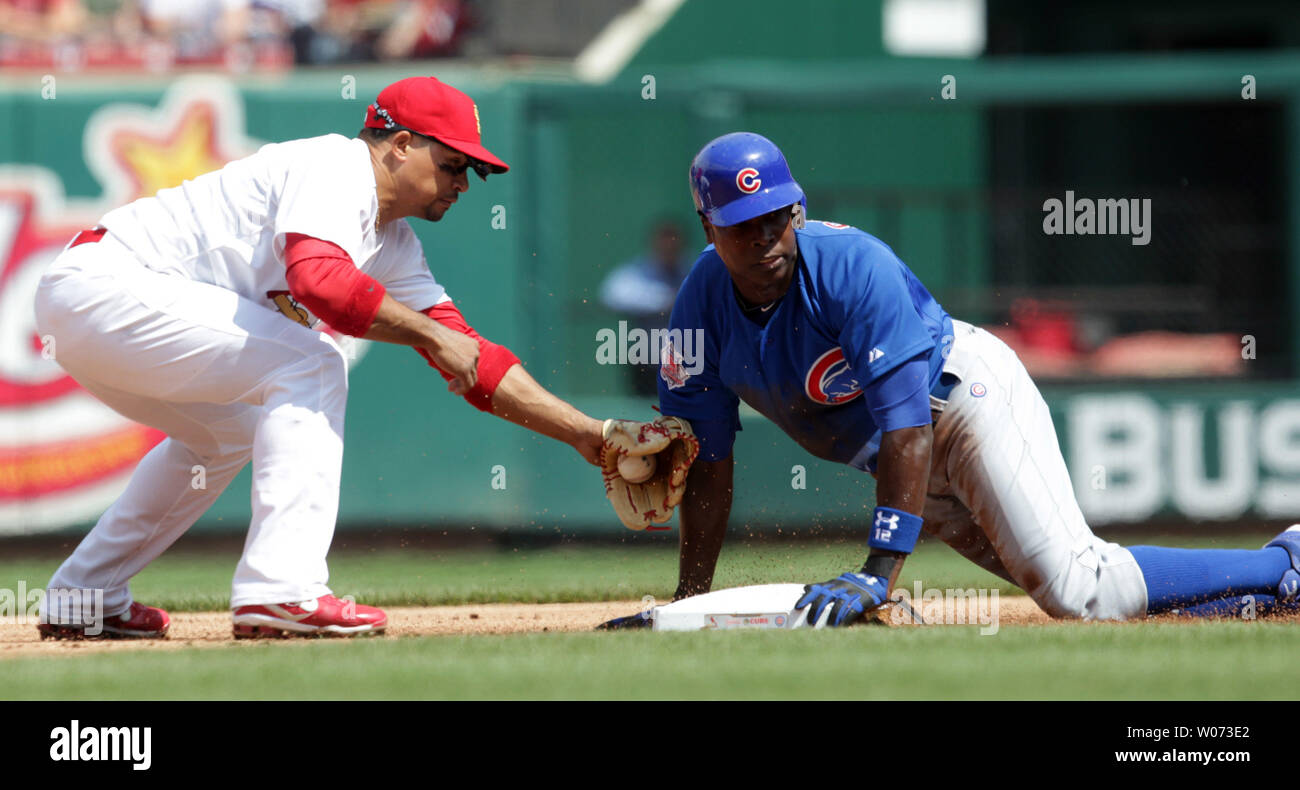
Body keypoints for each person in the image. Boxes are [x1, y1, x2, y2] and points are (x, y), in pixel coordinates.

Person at [604, 132, 1300, 627]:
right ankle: (1274, 597)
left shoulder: (851, 268)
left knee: (1080, 589)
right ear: (707, 226)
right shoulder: (697, 311)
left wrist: (879, 573)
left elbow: (907, 424)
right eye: (742, 226)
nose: (766, 239)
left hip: (961, 403)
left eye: (777, 217)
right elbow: (709, 465)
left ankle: (1284, 559)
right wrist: (689, 599)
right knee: (1087, 600)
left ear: (797, 210)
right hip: (904, 458)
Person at [34, 76, 607, 640]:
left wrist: (589, 435)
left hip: (100, 313)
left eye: (471, 171)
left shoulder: (395, 246)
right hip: (106, 285)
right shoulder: (336, 167)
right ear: (402, 144)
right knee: (312, 361)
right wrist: (432, 338)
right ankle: (282, 589)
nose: (463, 183)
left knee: (224, 436)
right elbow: (321, 283)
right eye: (453, 164)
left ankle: (85, 595)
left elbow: (472, 360)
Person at [598, 219, 691, 396]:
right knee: (645, 411)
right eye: (664, 245)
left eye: (673, 245)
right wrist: (664, 301)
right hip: (647, 358)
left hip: (688, 357)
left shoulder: (692, 269)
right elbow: (612, 294)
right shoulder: (640, 270)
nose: (669, 250)